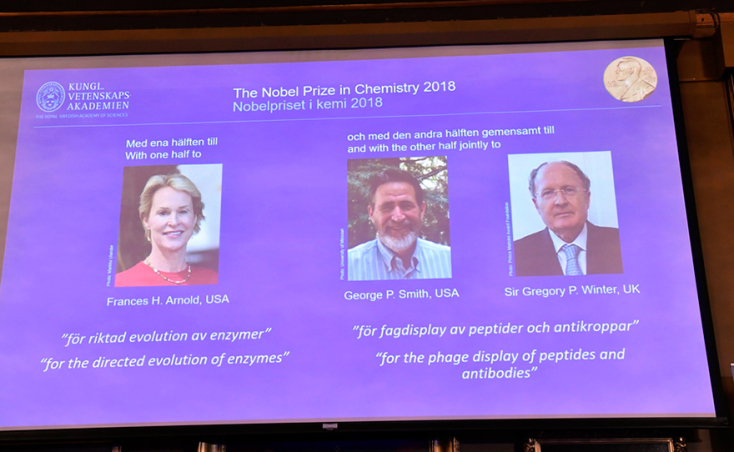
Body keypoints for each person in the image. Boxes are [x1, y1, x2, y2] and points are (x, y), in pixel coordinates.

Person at [513, 161, 622, 277]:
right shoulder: (517, 255)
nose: (560, 201)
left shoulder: (620, 242)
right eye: (548, 193)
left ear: (587, 198)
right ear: (536, 205)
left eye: (569, 190)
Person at [116, 173, 218, 286]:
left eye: (183, 211)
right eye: (163, 213)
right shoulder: (123, 283)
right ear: (146, 220)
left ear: (194, 218)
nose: (174, 222)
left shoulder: (212, 279)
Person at [348, 168, 451, 280]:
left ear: (422, 210)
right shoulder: (349, 266)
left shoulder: (449, 261)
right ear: (371, 213)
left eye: (406, 206)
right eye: (387, 207)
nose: (398, 217)